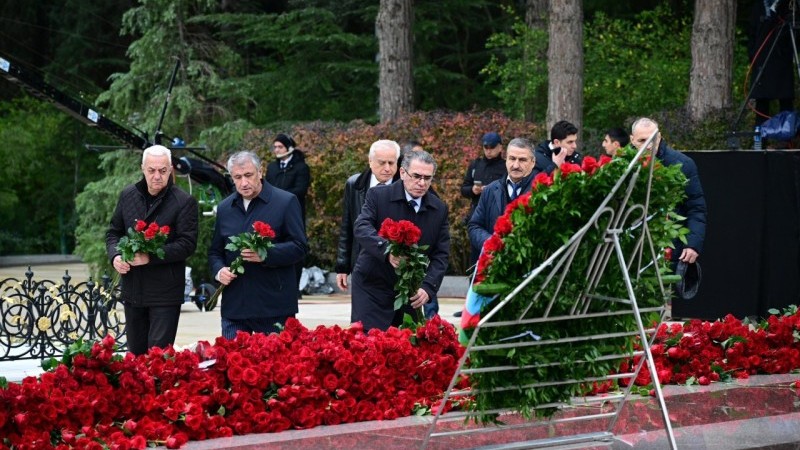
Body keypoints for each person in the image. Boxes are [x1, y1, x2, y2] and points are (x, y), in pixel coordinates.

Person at [107, 144, 199, 356]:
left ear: (170, 170)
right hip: (133, 289)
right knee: (136, 355)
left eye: (163, 170)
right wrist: (116, 256)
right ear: (143, 168)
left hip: (165, 293)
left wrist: (150, 257)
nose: (157, 176)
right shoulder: (128, 195)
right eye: (151, 170)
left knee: (157, 359)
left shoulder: (184, 201)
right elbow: (114, 233)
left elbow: (187, 244)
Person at [209, 151, 308, 339]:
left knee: (276, 358)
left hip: (273, 305)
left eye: (248, 175)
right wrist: (219, 271)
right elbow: (215, 252)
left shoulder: (285, 202)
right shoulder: (225, 208)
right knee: (232, 357)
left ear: (260, 172)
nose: (244, 183)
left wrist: (265, 254)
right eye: (237, 177)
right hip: (235, 306)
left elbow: (300, 247)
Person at [351, 150, 450, 331]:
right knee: (369, 341)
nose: (422, 183)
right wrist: (387, 250)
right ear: (403, 173)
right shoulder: (378, 196)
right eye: (416, 176)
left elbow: (441, 255)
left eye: (427, 178)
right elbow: (361, 227)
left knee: (405, 344)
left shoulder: (439, 209)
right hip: (372, 285)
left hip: (409, 291)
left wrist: (428, 287)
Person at [630, 118, 706, 266]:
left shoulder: (683, 164)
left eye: (652, 140)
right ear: (632, 140)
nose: (648, 146)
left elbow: (696, 207)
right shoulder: (624, 165)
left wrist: (692, 244)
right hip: (632, 247)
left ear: (659, 137)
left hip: (671, 248)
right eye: (642, 141)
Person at [335, 139, 401, 291]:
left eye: (391, 163)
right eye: (382, 163)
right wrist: (342, 266)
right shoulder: (354, 184)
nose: (387, 168)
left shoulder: (406, 186)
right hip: (362, 262)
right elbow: (347, 227)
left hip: (395, 264)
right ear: (370, 161)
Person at [468, 137, 538, 257]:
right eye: (512, 158)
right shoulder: (490, 190)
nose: (516, 165)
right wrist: (492, 244)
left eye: (522, 160)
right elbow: (474, 226)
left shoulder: (540, 192)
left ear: (533, 162)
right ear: (506, 159)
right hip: (494, 261)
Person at [265, 133, 310, 298]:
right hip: (273, 213)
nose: (276, 150)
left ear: (289, 148)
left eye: (280, 147)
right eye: (275, 147)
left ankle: (294, 286)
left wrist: (281, 196)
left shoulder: (301, 167)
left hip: (293, 213)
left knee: (295, 247)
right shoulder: (272, 167)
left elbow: (301, 190)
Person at [748, 1, 795, 128]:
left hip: (782, 59)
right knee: (762, 100)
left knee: (785, 98)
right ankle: (760, 135)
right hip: (762, 58)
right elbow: (752, 33)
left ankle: (787, 134)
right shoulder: (759, 6)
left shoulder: (788, 5)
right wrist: (753, 56)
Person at [460, 132, 508, 244]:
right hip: (477, 214)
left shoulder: (506, 167)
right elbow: (464, 189)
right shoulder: (476, 165)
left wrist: (492, 190)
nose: (489, 151)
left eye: (492, 147)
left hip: (498, 215)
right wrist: (473, 190)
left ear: (500, 147)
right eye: (486, 147)